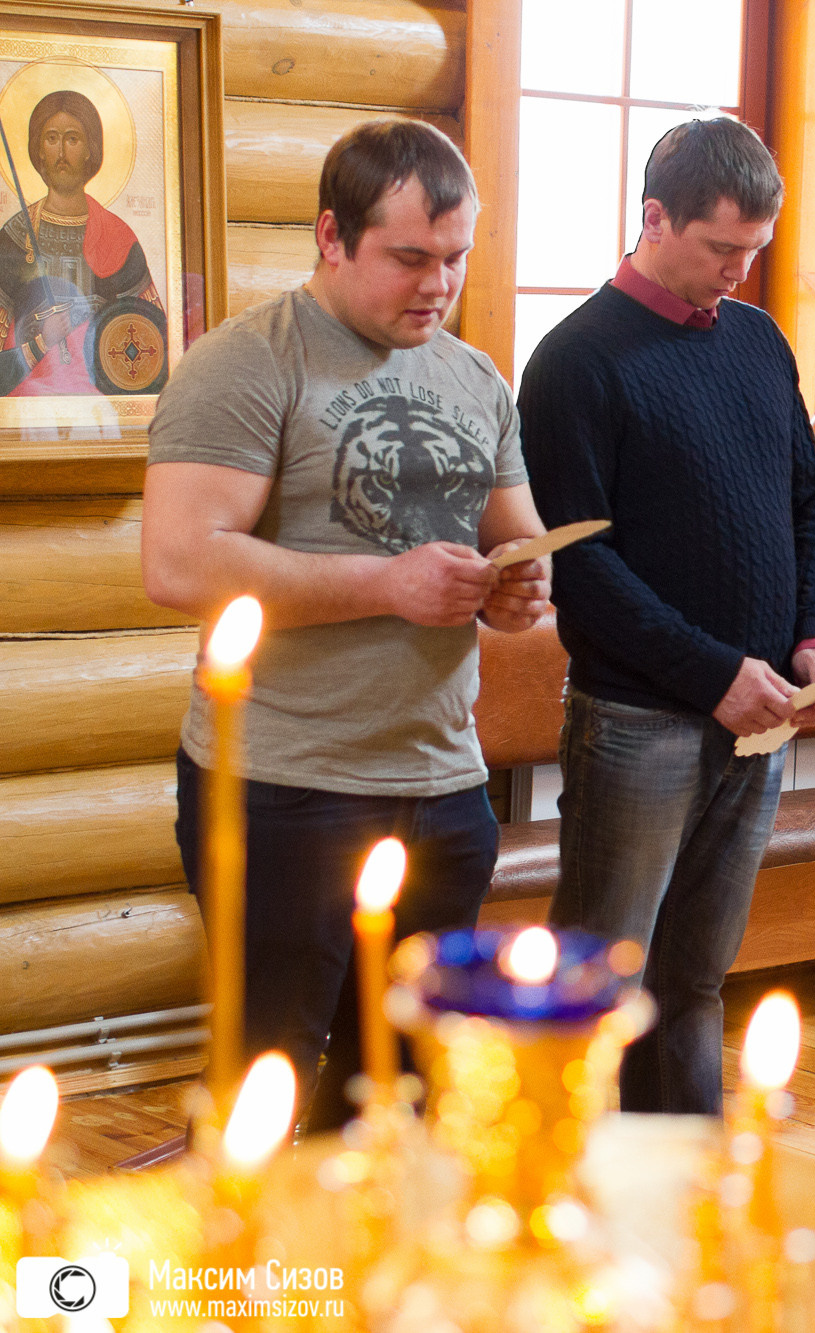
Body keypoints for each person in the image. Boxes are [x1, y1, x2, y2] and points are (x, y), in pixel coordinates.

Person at [141, 119, 551, 1131]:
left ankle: (354, 1286)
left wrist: (517, 590)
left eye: (454, 259)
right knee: (263, 1085)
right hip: (284, 784)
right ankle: (245, 1290)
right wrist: (390, 585)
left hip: (444, 780)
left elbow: (519, 540)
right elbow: (180, 560)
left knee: (400, 1085)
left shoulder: (475, 377)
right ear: (332, 235)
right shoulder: (246, 362)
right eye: (409, 257)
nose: (437, 285)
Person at [516, 117, 815, 1117]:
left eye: (753, 249)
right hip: (638, 722)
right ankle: (564, 1200)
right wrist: (712, 672)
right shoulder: (575, 361)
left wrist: (810, 631)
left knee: (698, 980)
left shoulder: (755, 341)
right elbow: (583, 569)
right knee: (597, 987)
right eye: (720, 249)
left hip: (759, 708)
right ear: (653, 218)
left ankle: (687, 1196)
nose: (739, 272)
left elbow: (803, 497)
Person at [0, 89, 167, 397]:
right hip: (26, 412)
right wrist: (42, 342)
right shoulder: (13, 238)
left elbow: (154, 349)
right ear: (38, 150)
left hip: (102, 408)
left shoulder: (118, 237)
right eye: (51, 138)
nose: (61, 151)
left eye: (72, 139)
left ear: (91, 148)